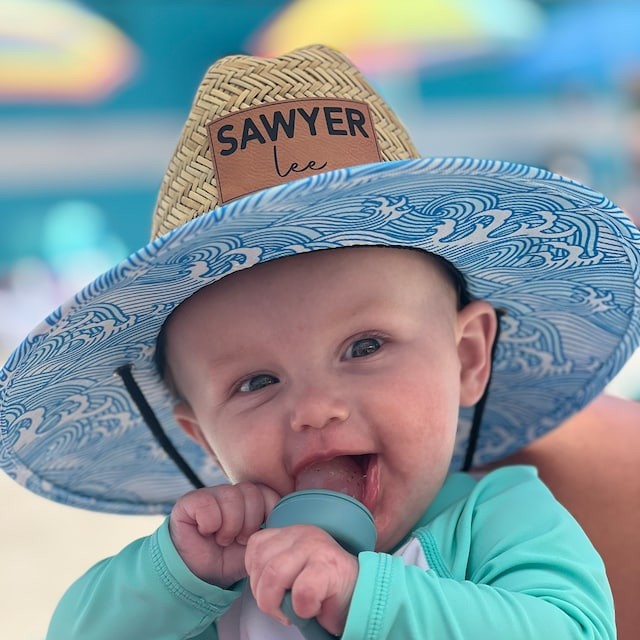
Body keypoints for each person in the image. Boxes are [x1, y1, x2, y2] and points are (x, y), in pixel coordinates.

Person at [1, 45, 639, 639]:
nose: (315, 408)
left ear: (468, 355)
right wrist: (174, 575)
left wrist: (364, 595)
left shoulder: (499, 520)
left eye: (365, 347)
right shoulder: (220, 572)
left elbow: (572, 629)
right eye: (255, 382)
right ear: (201, 435)